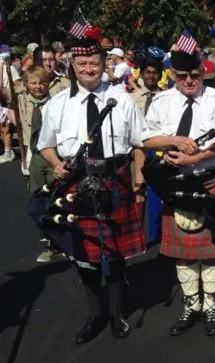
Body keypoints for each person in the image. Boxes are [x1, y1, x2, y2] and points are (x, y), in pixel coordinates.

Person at [36, 29, 147, 343]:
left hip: (114, 178)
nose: (88, 68)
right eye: (82, 62)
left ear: (103, 64)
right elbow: (45, 145)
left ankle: (115, 315)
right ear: (72, 64)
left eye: (94, 62)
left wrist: (139, 179)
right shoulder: (57, 104)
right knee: (83, 256)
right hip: (76, 181)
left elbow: (139, 142)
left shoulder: (122, 100)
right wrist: (56, 165)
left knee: (113, 255)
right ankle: (94, 315)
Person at [141, 45, 215, 337]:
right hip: (175, 184)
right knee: (183, 255)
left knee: (212, 252)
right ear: (172, 74)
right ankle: (191, 306)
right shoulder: (161, 101)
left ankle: (210, 307)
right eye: (182, 75)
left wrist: (194, 157)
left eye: (194, 75)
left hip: (209, 179)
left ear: (203, 73)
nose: (189, 80)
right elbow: (146, 138)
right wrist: (175, 140)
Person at [16, 66, 62, 262]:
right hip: (33, 156)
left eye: (42, 82)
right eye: (33, 83)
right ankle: (50, 238)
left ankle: (58, 242)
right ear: (26, 85)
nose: (38, 86)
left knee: (57, 198)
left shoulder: (57, 102)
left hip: (53, 154)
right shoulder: (20, 101)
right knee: (37, 201)